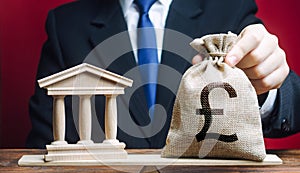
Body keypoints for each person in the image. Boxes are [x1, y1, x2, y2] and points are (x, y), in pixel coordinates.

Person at [26, 0, 300, 149]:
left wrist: (264, 88)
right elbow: (44, 142)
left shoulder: (229, 8)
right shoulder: (66, 24)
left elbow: (293, 106)